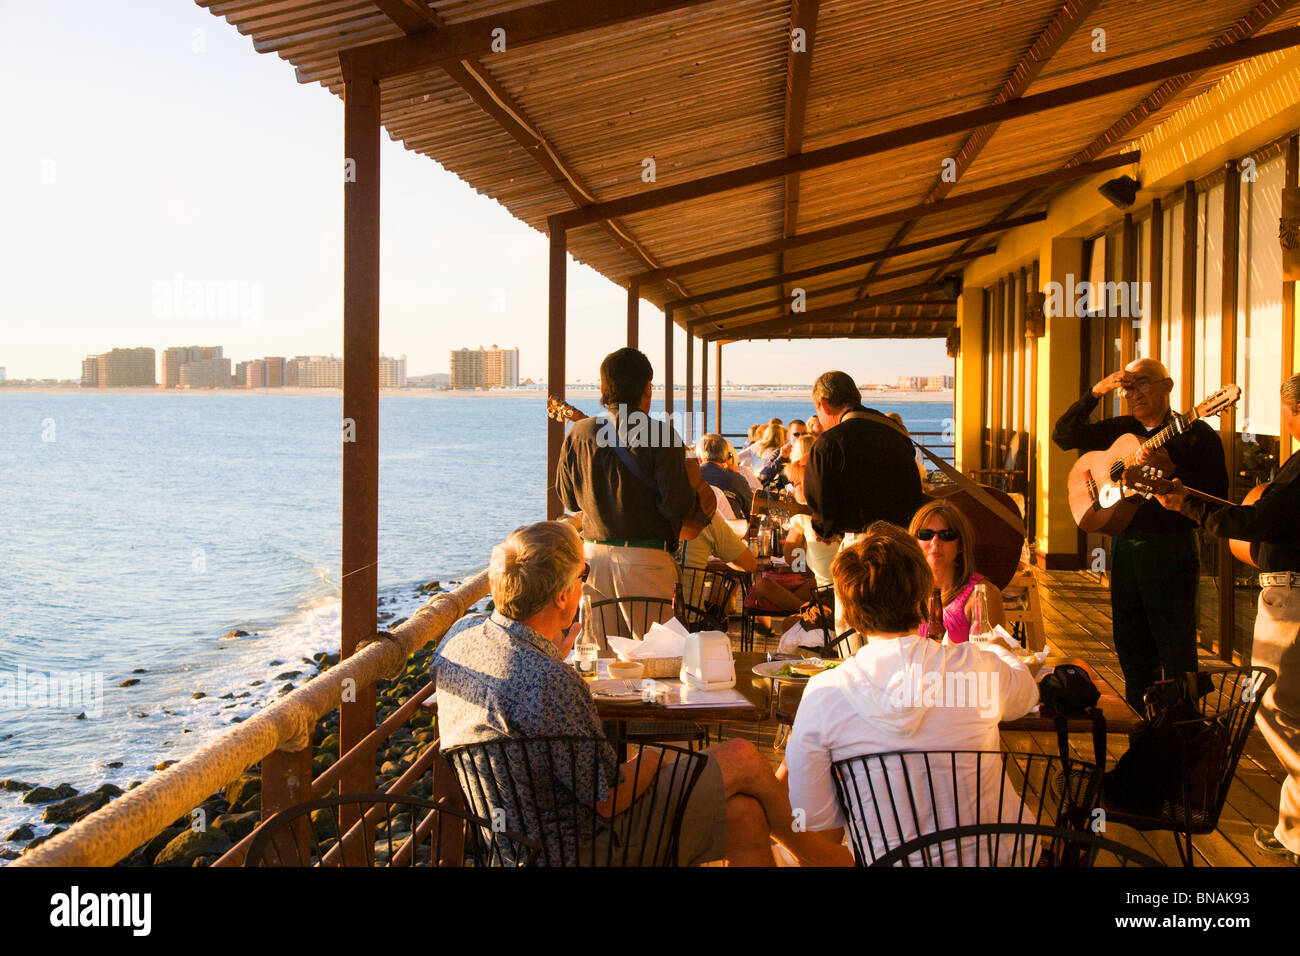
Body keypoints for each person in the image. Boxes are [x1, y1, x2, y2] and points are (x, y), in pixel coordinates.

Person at [431, 521, 845, 866]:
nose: (583, 587)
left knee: (744, 814)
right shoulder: (550, 680)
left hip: (510, 844)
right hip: (582, 848)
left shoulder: (459, 638)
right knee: (740, 756)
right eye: (583, 577)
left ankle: (818, 857)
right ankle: (823, 859)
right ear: (562, 597)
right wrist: (648, 758)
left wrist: (550, 656)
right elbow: (608, 798)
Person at [783, 522, 1038, 864]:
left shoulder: (824, 693)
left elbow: (812, 819)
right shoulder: (975, 666)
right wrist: (995, 648)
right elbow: (1027, 694)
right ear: (923, 597)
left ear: (851, 611)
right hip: (1002, 859)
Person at [1154, 374, 1300, 865]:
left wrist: (1182, 502)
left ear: (1293, 413)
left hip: (1290, 605)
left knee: (1278, 711)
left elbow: (1252, 521)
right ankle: (1290, 831)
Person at [1052, 357, 1228, 710]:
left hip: (1171, 549)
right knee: (1131, 649)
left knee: (1175, 651)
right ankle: (1140, 741)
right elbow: (1064, 434)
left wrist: (1174, 471)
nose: (1134, 393)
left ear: (1168, 386)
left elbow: (1218, 496)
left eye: (1143, 383)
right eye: (1128, 386)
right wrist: (1097, 390)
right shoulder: (1120, 429)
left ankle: (1181, 743)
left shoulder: (1196, 436)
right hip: (1125, 548)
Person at [555, 348, 696, 616]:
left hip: (592, 561)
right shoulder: (662, 434)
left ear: (603, 388)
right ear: (647, 388)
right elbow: (676, 508)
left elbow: (569, 500)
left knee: (601, 654)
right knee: (657, 654)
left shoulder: (578, 432)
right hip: (648, 562)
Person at [804, 370, 926, 540]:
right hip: (905, 541)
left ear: (824, 404)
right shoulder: (895, 431)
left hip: (860, 545)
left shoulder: (827, 443)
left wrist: (822, 530)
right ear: (857, 397)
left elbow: (822, 511)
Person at [908, 500, 1004, 642]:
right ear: (914, 541)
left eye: (946, 535)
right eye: (925, 534)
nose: (935, 542)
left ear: (961, 544)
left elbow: (994, 657)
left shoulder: (982, 595)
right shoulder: (903, 592)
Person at [782, 436, 840, 588]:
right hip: (843, 583)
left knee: (763, 588)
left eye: (795, 483)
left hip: (826, 588)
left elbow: (792, 559)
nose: (793, 488)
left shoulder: (802, 514)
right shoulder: (842, 505)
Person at [696, 433, 752, 518]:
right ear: (726, 457)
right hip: (730, 529)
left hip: (695, 529)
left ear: (699, 458)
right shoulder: (737, 479)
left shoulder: (689, 477)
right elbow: (751, 511)